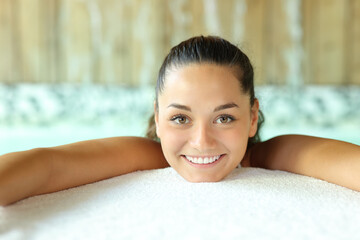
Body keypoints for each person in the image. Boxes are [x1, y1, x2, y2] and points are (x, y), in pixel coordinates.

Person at [0, 36, 359, 206]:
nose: (202, 141)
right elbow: (48, 165)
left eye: (224, 117)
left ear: (252, 118)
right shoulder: (146, 155)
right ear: (158, 118)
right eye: (180, 118)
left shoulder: (275, 154)